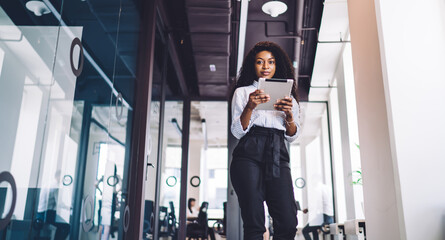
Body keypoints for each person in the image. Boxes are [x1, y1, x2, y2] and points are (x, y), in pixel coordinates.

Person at [230, 41, 300, 240]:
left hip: (278, 150)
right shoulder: (242, 92)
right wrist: (250, 107)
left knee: (287, 221)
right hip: (248, 153)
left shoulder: (289, 98)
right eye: (260, 62)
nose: (266, 67)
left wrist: (289, 116)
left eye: (271, 62)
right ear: (254, 65)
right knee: (254, 223)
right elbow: (237, 132)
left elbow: (293, 135)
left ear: (277, 65)